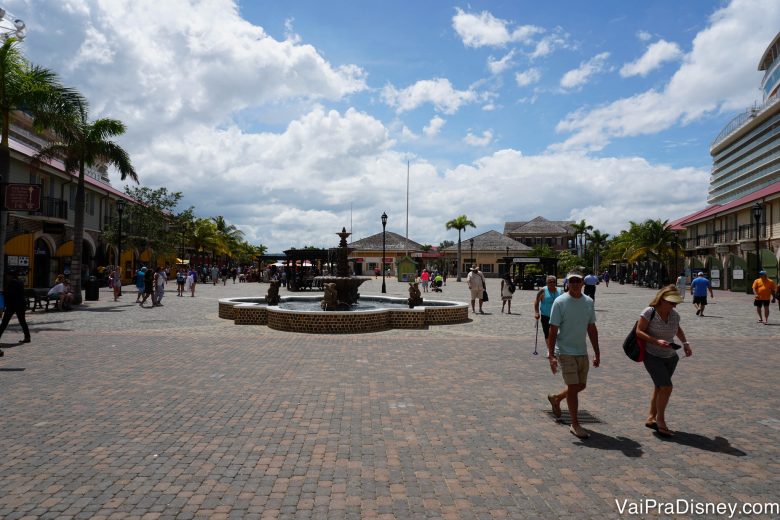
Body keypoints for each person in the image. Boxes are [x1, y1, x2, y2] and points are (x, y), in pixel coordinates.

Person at [546, 270, 600, 439]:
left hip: (581, 350)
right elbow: (553, 329)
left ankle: (556, 398)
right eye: (572, 281)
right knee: (573, 389)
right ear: (567, 283)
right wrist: (552, 356)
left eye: (578, 281)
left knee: (580, 386)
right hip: (565, 350)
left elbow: (591, 328)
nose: (576, 284)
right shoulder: (560, 302)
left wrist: (597, 352)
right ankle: (575, 424)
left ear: (583, 283)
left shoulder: (588, 302)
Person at [635, 285, 692, 438]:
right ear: (661, 299)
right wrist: (655, 341)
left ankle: (651, 417)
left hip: (670, 357)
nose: (674, 306)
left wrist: (685, 343)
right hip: (652, 355)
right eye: (671, 302)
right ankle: (660, 420)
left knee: (660, 387)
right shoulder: (649, 312)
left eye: (676, 303)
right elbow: (639, 331)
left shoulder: (674, 315)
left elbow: (677, 328)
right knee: (666, 387)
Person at [0, 271, 31, 349]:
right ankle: (27, 337)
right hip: (20, 305)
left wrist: (3, 293)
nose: (7, 278)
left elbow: (10, 293)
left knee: (4, 323)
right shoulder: (20, 282)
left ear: (11, 276)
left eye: (8, 276)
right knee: (22, 321)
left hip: (12, 305)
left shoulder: (12, 282)